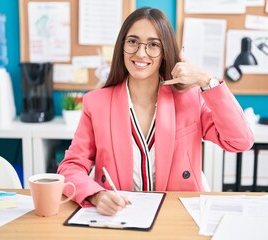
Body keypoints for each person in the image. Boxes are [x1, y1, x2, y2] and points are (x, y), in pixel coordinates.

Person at [57, 7, 254, 216]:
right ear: (122, 46)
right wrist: (96, 195)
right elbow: (70, 167)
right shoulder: (96, 103)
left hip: (176, 216)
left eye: (153, 45)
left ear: (165, 51)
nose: (141, 53)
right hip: (120, 217)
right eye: (133, 41)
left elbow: (240, 141)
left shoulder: (191, 98)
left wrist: (207, 81)